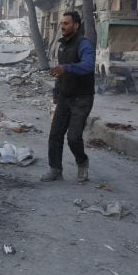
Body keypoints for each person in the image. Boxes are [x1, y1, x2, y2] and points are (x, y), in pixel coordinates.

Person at [41, 11, 95, 183]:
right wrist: (56, 91)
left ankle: (82, 161)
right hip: (65, 97)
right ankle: (55, 169)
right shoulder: (62, 45)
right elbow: (60, 72)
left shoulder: (84, 44)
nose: (62, 26)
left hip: (82, 98)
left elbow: (87, 66)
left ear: (76, 25)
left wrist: (68, 68)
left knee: (73, 137)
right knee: (55, 135)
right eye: (61, 23)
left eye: (66, 23)